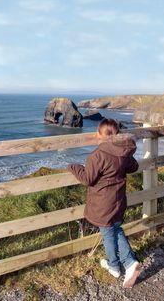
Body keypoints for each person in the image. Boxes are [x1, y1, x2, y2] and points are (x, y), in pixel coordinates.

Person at [67, 118, 141, 288]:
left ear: (99, 135)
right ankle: (125, 263)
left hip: (103, 204)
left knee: (108, 233)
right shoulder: (124, 152)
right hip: (118, 200)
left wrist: (74, 167)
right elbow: (134, 167)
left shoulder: (97, 155)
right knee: (115, 228)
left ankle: (118, 265)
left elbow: (87, 179)